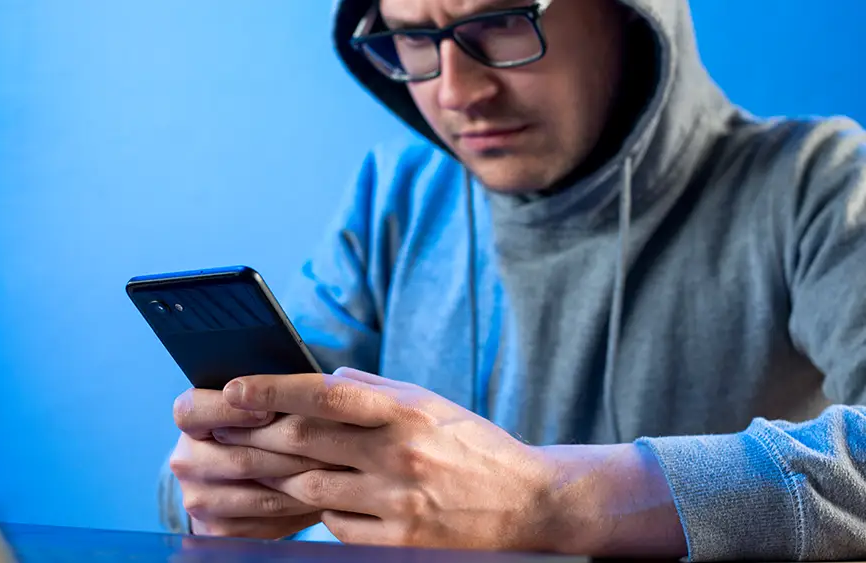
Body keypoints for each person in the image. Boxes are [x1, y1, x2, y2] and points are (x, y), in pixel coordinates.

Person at [158, 0, 866, 560]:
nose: (458, 91)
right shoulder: (394, 198)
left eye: (499, 22)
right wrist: (214, 485)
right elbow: (215, 470)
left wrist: (551, 500)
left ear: (630, 11)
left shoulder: (816, 183)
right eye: (411, 39)